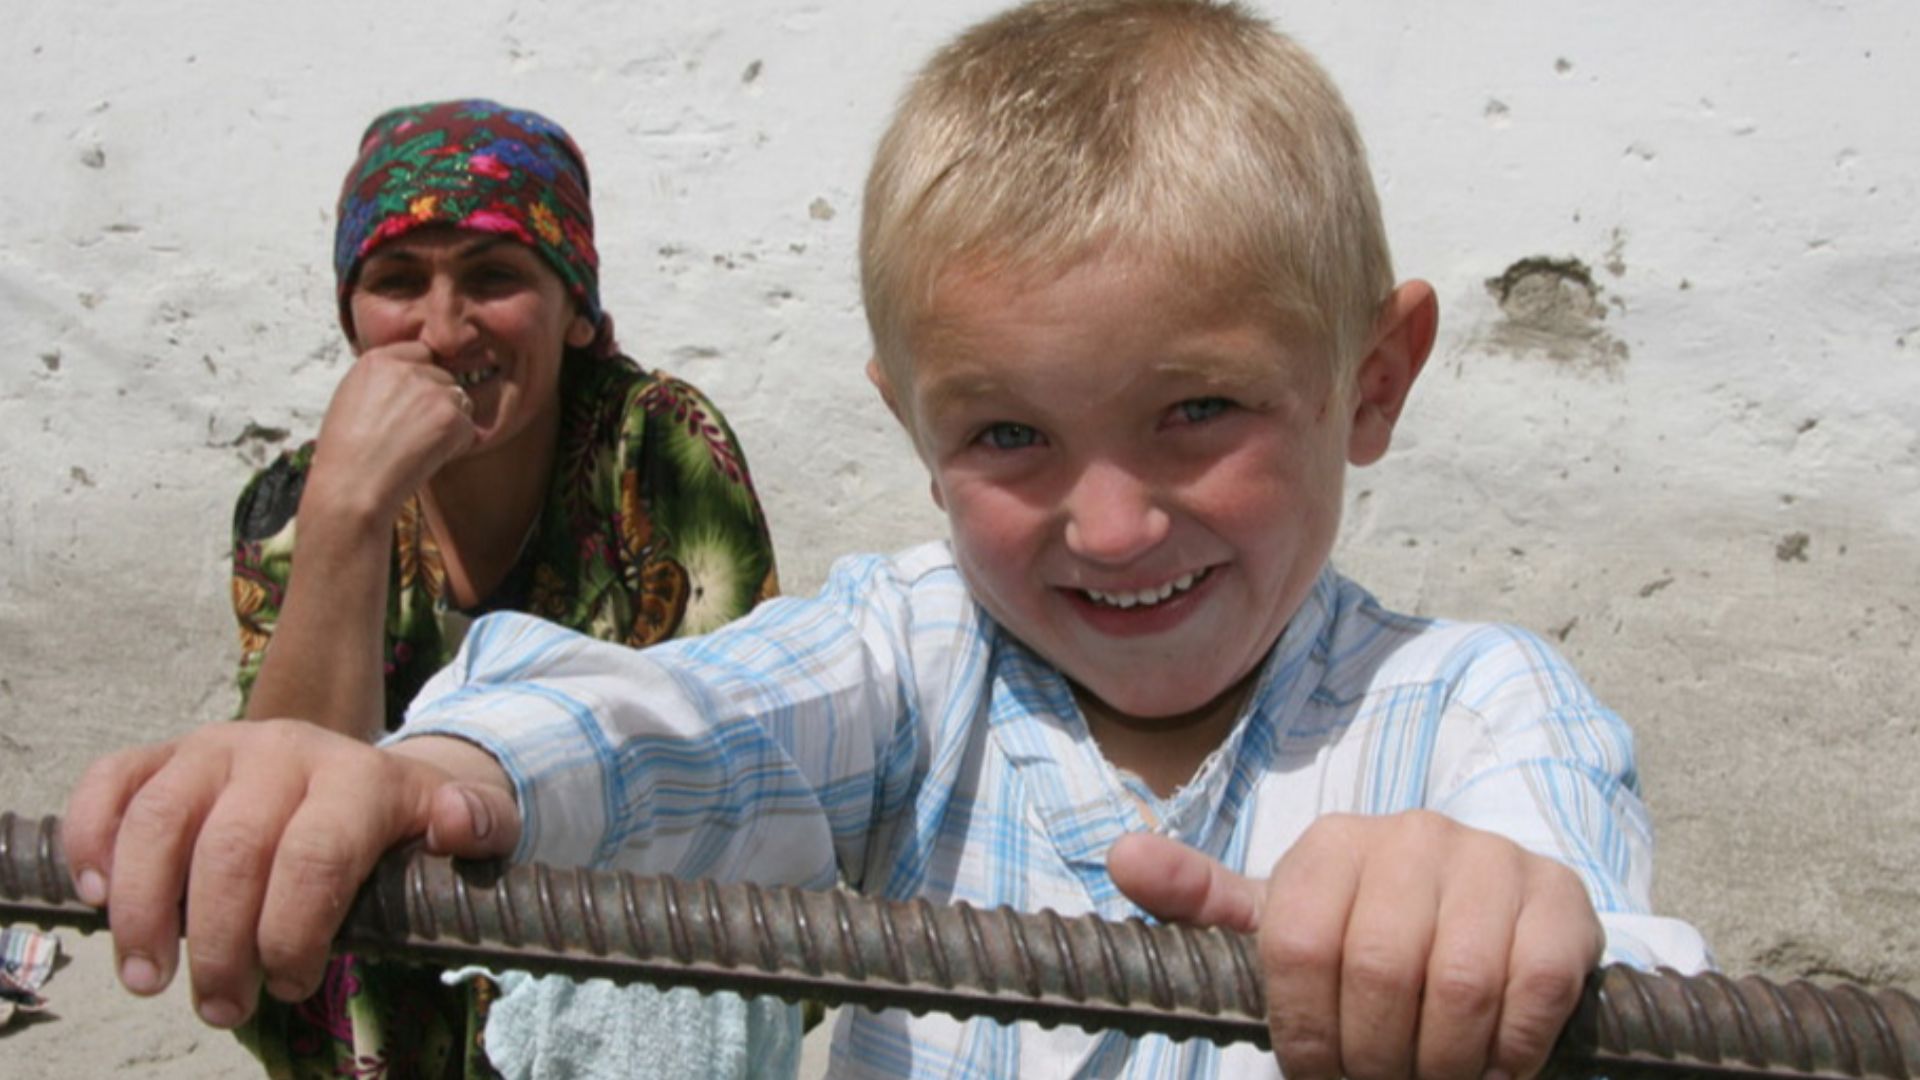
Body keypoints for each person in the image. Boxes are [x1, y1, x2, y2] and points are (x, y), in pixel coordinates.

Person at [65, 5, 1710, 1078]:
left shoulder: (1480, 714)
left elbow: (1612, 953)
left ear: (1374, 378)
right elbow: (689, 721)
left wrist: (1492, 930)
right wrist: (431, 773)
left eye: (1201, 411)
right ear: (912, 425)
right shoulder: (910, 655)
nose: (1116, 522)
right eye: (1008, 436)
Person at [222, 99, 793, 1077]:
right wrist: (350, 516)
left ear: (576, 310)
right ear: (350, 315)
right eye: (398, 282)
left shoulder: (654, 450)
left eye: (492, 278)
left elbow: (722, 771)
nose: (443, 331)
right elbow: (275, 830)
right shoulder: (295, 505)